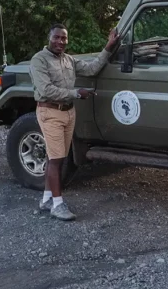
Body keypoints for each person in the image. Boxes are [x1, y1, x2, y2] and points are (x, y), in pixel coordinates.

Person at [29, 23, 119, 220]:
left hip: (69, 112)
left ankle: (46, 200)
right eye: (57, 37)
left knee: (57, 157)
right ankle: (58, 205)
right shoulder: (39, 60)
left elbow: (92, 69)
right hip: (50, 112)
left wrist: (109, 46)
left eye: (64, 38)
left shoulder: (69, 60)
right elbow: (46, 90)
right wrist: (76, 93)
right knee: (56, 159)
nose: (61, 41)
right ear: (49, 38)